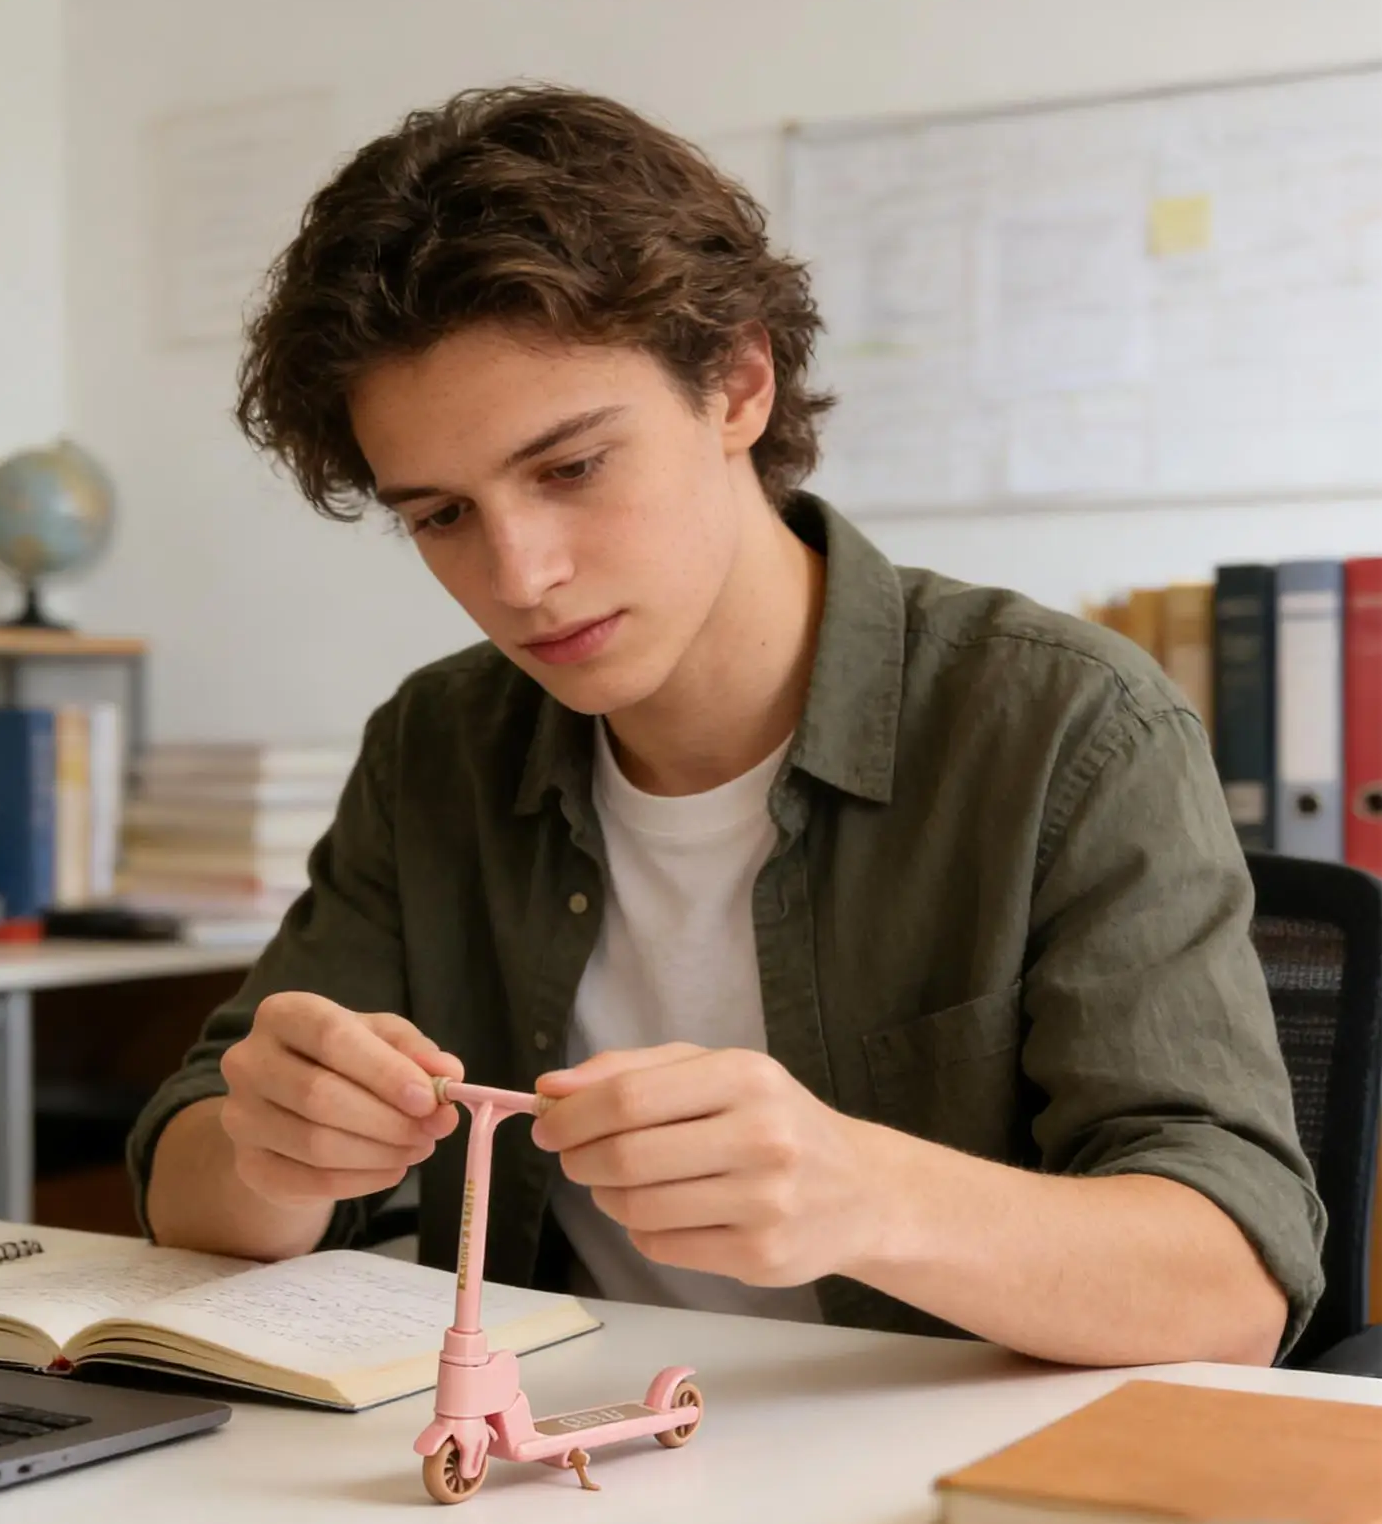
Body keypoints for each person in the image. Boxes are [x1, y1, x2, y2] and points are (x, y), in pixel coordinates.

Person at [128, 84, 1324, 1368]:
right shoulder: (440, 743)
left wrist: (866, 1195)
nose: (518, 575)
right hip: (558, 1456)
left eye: (572, 467)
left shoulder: (1064, 721)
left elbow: (1230, 1282)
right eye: (440, 516)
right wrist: (275, 1148)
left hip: (927, 1481)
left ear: (738, 384)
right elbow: (187, 1175)